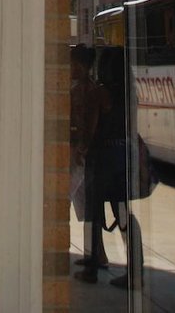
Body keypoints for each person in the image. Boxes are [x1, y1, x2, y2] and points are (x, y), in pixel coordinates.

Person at [90, 45, 146, 290]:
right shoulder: (130, 93)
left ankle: (93, 264)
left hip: (106, 156)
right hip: (125, 153)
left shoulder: (102, 93)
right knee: (123, 213)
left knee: (95, 210)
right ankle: (136, 269)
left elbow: (93, 127)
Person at [69, 44, 110, 281]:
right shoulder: (87, 88)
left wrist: (81, 148)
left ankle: (96, 255)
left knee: (71, 200)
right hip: (84, 155)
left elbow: (86, 124)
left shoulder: (84, 91)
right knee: (86, 210)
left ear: (82, 66)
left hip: (79, 155)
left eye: (73, 64)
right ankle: (96, 253)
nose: (70, 68)